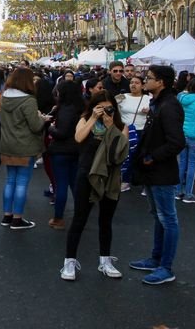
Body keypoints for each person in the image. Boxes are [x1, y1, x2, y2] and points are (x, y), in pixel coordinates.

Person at [59, 90, 129, 281]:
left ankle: (105, 260)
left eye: (109, 108)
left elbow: (120, 152)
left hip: (110, 177)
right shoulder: (85, 120)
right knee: (80, 218)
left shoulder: (121, 126)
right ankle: (69, 261)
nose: (105, 111)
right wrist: (92, 118)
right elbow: (78, 138)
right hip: (86, 174)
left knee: (106, 220)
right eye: (101, 107)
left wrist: (110, 125)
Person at [129, 65, 185, 285]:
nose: (144, 82)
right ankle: (156, 258)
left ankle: (166, 266)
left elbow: (176, 142)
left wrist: (153, 156)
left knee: (168, 218)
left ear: (160, 82)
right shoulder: (158, 103)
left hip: (162, 172)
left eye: (149, 78)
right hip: (152, 171)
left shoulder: (169, 106)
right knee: (158, 216)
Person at [0, 68, 49, 230]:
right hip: (25, 145)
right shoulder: (28, 100)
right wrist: (42, 119)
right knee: (21, 183)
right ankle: (17, 218)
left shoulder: (4, 97)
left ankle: (7, 215)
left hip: (7, 144)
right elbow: (35, 126)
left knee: (10, 181)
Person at [47, 81, 84, 229]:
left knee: (61, 184)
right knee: (75, 184)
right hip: (77, 150)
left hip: (61, 150)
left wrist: (49, 128)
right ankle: (81, 216)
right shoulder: (81, 107)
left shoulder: (65, 109)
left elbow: (61, 133)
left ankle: (58, 218)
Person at [116, 76, 148, 193]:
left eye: (137, 83)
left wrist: (149, 112)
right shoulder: (123, 97)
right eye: (131, 83)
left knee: (142, 156)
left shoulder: (147, 98)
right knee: (127, 156)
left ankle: (145, 182)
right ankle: (126, 181)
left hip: (142, 130)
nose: (133, 85)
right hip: (126, 130)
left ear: (143, 85)